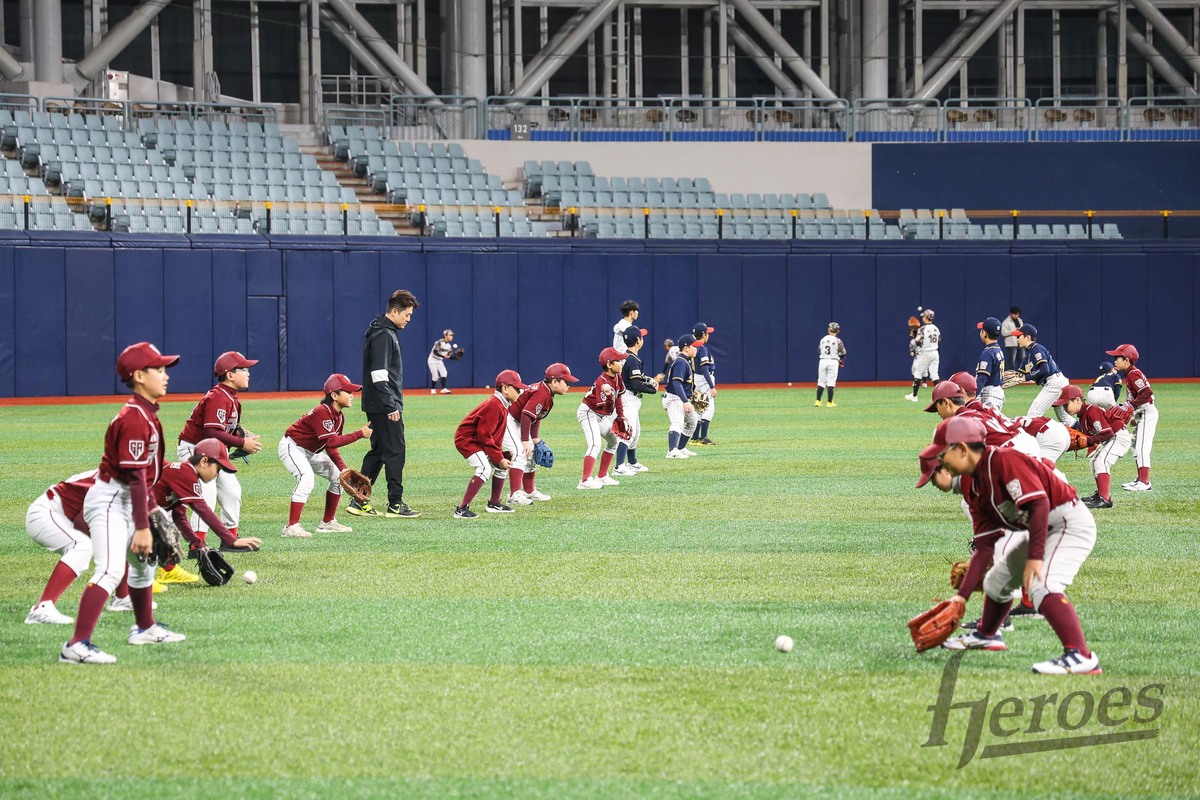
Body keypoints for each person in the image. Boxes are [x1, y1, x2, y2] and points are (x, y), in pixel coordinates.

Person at [928, 416, 1102, 674]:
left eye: (943, 454)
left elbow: (1039, 504)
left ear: (962, 449)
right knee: (996, 582)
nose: (940, 461)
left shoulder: (1004, 459)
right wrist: (961, 597)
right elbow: (986, 546)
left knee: (1043, 584)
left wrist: (1034, 558)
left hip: (1067, 522)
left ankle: (1081, 656)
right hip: (1040, 528)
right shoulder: (973, 486)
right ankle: (987, 635)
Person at [62, 342, 185, 665]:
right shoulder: (133, 418)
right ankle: (76, 644)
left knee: (143, 566)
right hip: (111, 500)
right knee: (111, 569)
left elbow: (143, 478)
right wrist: (143, 526)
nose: (165, 375)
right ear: (139, 376)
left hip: (128, 498)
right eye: (158, 369)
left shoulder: (145, 412)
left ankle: (144, 627)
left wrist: (151, 510)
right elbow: (134, 477)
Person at [177, 350, 262, 550]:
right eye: (243, 369)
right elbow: (211, 430)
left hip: (213, 452)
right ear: (230, 375)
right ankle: (197, 546)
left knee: (232, 491)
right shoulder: (219, 396)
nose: (248, 373)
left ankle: (230, 539)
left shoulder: (230, 396)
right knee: (206, 493)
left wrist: (241, 435)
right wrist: (242, 444)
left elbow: (223, 429)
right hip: (195, 451)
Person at [353, 289, 421, 519]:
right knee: (395, 451)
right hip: (384, 404)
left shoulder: (380, 330)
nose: (408, 319)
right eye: (407, 314)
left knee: (380, 451)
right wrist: (391, 405)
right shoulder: (384, 334)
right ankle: (395, 503)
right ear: (394, 311)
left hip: (377, 402)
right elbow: (379, 375)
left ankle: (358, 499)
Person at [279, 374, 373, 537]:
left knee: (338, 479)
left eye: (352, 392)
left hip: (312, 452)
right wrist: (360, 433)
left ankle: (327, 523)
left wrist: (342, 468)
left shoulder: (339, 416)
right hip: (292, 447)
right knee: (306, 478)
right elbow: (331, 442)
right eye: (348, 391)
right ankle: (291, 526)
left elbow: (331, 446)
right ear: (334, 395)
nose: (352, 395)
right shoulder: (322, 411)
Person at [156, 440, 264, 566]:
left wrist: (198, 544)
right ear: (204, 462)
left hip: (139, 511)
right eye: (217, 469)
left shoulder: (186, 474)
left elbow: (179, 515)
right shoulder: (186, 474)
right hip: (132, 510)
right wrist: (231, 540)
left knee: (164, 529)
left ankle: (167, 573)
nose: (218, 475)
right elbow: (203, 510)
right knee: (159, 533)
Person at [24, 469, 99, 624]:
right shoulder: (112, 481)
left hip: (60, 514)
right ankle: (42, 608)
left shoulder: (121, 475)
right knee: (82, 545)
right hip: (46, 514)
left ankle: (122, 599)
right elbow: (82, 521)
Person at [453, 370, 527, 517]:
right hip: (468, 440)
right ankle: (461, 509)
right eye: (517, 388)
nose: (520, 391)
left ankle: (494, 503)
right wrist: (498, 457)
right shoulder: (495, 405)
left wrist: (499, 455)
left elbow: (494, 435)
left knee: (502, 466)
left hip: (479, 440)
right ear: (505, 388)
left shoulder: (502, 404)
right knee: (483, 468)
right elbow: (484, 436)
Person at [503, 362, 578, 506]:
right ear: (554, 382)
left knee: (531, 453)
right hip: (510, 420)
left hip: (520, 423)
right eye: (566, 381)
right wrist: (525, 440)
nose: (568, 385)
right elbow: (526, 415)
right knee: (520, 452)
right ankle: (514, 495)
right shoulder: (542, 393)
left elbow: (535, 417)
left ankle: (529, 491)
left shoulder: (547, 393)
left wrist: (534, 438)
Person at [1053, 385, 1133, 509]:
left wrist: (1086, 440)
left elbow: (1107, 433)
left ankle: (1104, 499)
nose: (1064, 408)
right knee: (1094, 461)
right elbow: (1091, 439)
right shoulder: (1083, 415)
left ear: (1078, 400)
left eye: (1066, 404)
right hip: (1112, 438)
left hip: (1119, 437)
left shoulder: (1091, 410)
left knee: (1102, 461)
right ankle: (1101, 494)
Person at [1106, 343, 1157, 492]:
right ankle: (1140, 478)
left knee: (1142, 446)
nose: (1115, 360)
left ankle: (1144, 481)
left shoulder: (1133, 373)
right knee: (1136, 446)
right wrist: (1133, 414)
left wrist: (1132, 406)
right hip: (1142, 413)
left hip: (1147, 412)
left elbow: (1147, 393)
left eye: (1117, 357)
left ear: (1126, 361)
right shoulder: (1131, 373)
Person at [577, 347, 629, 489]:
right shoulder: (602, 382)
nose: (622, 362)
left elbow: (618, 397)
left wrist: (621, 416)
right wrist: (609, 396)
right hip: (589, 412)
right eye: (618, 360)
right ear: (609, 364)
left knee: (613, 441)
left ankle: (602, 476)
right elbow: (604, 408)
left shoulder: (617, 376)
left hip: (599, 415)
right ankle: (585, 480)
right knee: (595, 444)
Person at [614, 327, 657, 476]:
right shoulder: (632, 359)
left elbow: (636, 378)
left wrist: (648, 380)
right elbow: (637, 384)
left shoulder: (626, 357)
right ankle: (619, 466)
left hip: (628, 396)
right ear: (638, 341)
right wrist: (652, 389)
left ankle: (632, 462)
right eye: (641, 337)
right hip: (629, 397)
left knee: (636, 432)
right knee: (628, 432)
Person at [1011, 324, 1068, 418]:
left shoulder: (1036, 349)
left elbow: (1044, 370)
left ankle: (1046, 431)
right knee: (1065, 419)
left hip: (1054, 383)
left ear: (1028, 337)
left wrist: (1026, 378)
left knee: (1033, 415)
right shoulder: (1028, 354)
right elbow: (1019, 374)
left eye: (1019, 336)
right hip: (1057, 382)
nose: (1017, 339)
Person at [662, 335, 700, 459]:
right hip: (674, 397)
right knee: (677, 422)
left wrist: (691, 396)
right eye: (694, 346)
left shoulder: (685, 360)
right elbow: (676, 382)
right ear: (686, 348)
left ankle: (681, 448)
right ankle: (672, 451)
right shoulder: (680, 362)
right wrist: (685, 401)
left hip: (680, 397)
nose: (696, 349)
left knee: (692, 422)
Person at [690, 323, 717, 445]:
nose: (708, 335)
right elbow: (705, 369)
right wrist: (712, 387)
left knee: (699, 408)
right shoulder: (702, 349)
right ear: (703, 335)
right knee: (708, 407)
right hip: (704, 380)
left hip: (697, 378)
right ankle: (703, 437)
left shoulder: (694, 348)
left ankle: (695, 437)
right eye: (707, 333)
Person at [905, 309, 939, 402]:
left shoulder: (923, 328)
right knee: (934, 375)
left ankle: (914, 396)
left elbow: (917, 341)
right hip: (935, 352)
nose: (923, 318)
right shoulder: (936, 328)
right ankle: (940, 395)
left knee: (918, 373)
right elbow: (939, 341)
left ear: (926, 317)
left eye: (924, 316)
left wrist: (915, 333)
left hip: (926, 352)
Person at [973, 317, 1007, 411]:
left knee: (988, 424)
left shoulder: (988, 353)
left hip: (990, 394)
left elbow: (982, 378)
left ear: (984, 334)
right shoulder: (998, 349)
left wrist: (973, 396)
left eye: (982, 330)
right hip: (996, 392)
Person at [815, 321, 846, 408]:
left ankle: (818, 401)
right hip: (833, 361)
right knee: (831, 382)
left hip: (823, 360)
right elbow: (843, 353)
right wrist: (838, 358)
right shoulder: (838, 340)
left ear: (828, 330)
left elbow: (819, 350)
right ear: (838, 331)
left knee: (821, 381)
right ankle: (829, 402)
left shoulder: (823, 339)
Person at [427, 329, 461, 395]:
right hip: (432, 360)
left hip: (439, 360)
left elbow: (448, 356)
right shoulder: (439, 342)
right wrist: (443, 356)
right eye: (450, 335)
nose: (452, 337)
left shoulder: (449, 346)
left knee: (444, 373)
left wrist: (456, 358)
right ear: (445, 335)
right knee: (435, 377)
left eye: (452, 335)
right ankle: (433, 389)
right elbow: (435, 352)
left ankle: (443, 389)